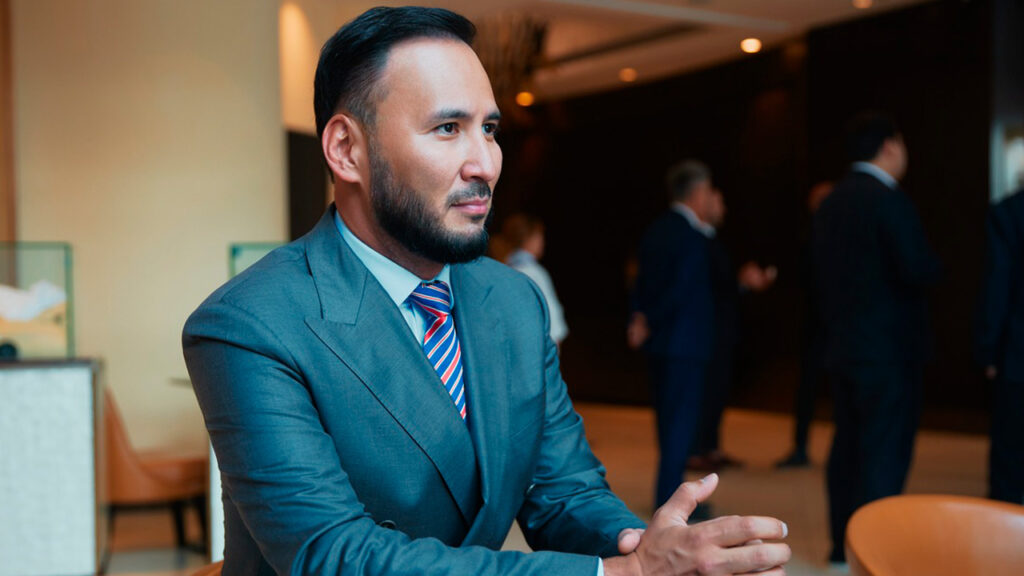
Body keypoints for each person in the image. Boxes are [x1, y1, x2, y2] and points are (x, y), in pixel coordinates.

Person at [182, 7, 790, 576]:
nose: (487, 165)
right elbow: (333, 554)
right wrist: (615, 572)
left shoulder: (512, 301)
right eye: (448, 128)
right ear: (347, 150)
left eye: (490, 129)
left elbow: (564, 493)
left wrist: (657, 550)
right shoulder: (250, 324)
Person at [812, 112, 941, 564]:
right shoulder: (889, 200)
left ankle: (840, 546)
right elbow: (917, 268)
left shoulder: (830, 201)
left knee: (848, 448)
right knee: (884, 454)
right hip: (889, 351)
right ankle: (874, 553)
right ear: (889, 146)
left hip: (843, 345)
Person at [631, 160, 716, 510]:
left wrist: (640, 318)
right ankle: (670, 502)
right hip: (685, 344)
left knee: (668, 424)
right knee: (680, 427)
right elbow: (680, 291)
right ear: (697, 193)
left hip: (660, 345)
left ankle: (671, 495)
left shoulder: (655, 229)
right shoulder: (693, 237)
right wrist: (650, 319)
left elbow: (639, 279)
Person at [689, 188, 776, 472]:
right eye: (718, 201)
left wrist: (740, 282)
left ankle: (710, 447)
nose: (723, 207)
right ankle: (697, 450)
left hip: (721, 331)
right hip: (706, 332)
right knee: (705, 391)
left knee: (717, 390)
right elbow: (706, 289)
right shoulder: (695, 240)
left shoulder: (713, 239)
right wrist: (740, 282)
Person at [776, 181, 833, 469]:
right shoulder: (808, 236)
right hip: (815, 325)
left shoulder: (845, 235)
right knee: (807, 389)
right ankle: (800, 447)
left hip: (842, 328)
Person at [975, 189, 1024, 505]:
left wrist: (988, 350)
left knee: (1009, 461)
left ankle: (1004, 529)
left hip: (1018, 355)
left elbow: (997, 282)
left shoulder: (1012, 210)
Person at [501, 214, 568, 346]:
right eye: (540, 237)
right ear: (531, 239)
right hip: (538, 347)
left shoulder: (504, 270)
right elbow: (550, 313)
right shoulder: (534, 272)